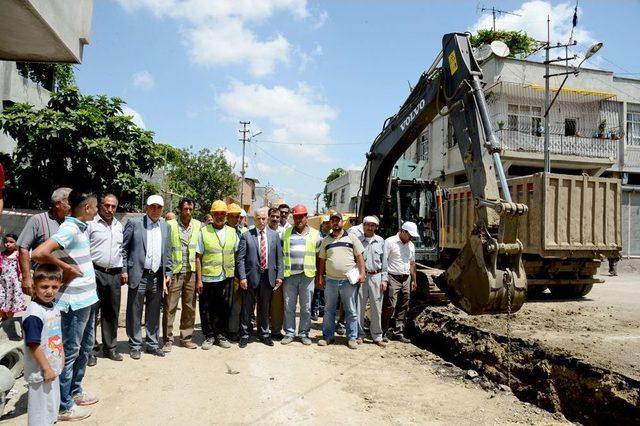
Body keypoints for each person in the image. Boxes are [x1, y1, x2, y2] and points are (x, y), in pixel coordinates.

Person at [32, 191, 100, 421]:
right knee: (70, 352)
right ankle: (63, 406)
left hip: (88, 299)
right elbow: (39, 253)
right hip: (74, 303)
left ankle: (75, 391)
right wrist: (67, 268)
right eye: (96, 206)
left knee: (84, 348)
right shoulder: (70, 229)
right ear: (88, 208)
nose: (97, 209)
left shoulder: (80, 227)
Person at [122, 195, 173, 360]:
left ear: (163, 209)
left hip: (157, 277)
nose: (155, 210)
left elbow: (168, 252)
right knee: (135, 311)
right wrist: (124, 270)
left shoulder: (165, 226)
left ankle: (152, 344)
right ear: (146, 207)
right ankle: (135, 344)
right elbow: (124, 249)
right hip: (139, 274)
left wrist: (168, 272)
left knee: (153, 312)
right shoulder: (135, 223)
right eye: (152, 206)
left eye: (159, 207)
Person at [23, 264, 67, 425]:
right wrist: (46, 368)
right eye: (44, 287)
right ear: (34, 286)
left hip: (52, 367)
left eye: (54, 287)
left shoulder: (54, 307)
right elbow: (33, 344)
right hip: (40, 371)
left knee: (51, 407)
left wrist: (61, 354)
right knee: (39, 413)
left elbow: (54, 335)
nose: (49, 291)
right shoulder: (34, 314)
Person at [236, 207, 283, 348]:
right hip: (250, 278)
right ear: (254, 219)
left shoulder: (274, 236)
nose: (261, 221)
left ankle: (264, 334)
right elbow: (241, 259)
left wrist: (279, 275)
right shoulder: (246, 235)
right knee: (247, 307)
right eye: (258, 218)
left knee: (264, 307)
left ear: (267, 219)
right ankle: (245, 334)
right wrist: (242, 277)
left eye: (264, 218)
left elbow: (279, 258)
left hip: (268, 276)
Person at [317, 212, 365, 349]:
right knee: (329, 310)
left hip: (348, 281)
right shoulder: (326, 240)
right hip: (331, 281)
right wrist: (320, 277)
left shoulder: (352, 238)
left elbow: (360, 257)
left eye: (338, 220)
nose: (335, 223)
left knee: (351, 310)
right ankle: (328, 336)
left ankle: (351, 338)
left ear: (342, 222)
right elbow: (322, 261)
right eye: (333, 221)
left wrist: (362, 273)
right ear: (330, 223)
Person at [86, 194, 125, 365]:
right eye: (106, 205)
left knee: (111, 312)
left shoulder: (118, 225)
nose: (109, 209)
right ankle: (91, 351)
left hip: (115, 274)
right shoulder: (90, 224)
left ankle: (110, 348)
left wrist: (123, 270)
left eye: (113, 206)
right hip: (95, 272)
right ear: (100, 205)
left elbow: (121, 250)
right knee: (92, 312)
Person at [195, 200, 238, 350]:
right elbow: (198, 257)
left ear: (226, 215)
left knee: (225, 307)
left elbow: (237, 253)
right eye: (217, 213)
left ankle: (221, 335)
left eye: (222, 214)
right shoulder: (204, 232)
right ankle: (209, 335)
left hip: (226, 276)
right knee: (207, 308)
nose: (220, 216)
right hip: (208, 277)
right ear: (212, 215)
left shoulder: (233, 232)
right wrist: (199, 280)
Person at [18, 187, 71, 297]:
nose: (74, 206)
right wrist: (26, 277)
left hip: (69, 281)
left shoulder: (72, 223)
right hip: (45, 283)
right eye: (70, 202)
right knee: (43, 313)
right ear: (58, 204)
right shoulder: (37, 220)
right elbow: (23, 248)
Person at [163, 197, 200, 352]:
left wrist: (199, 277)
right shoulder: (169, 225)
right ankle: (168, 340)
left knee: (189, 307)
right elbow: (166, 250)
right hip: (175, 272)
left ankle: (186, 338)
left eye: (190, 209)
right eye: (185, 209)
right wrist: (167, 272)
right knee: (170, 306)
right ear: (180, 209)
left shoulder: (198, 225)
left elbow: (199, 252)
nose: (188, 212)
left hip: (191, 272)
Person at [281, 204, 321, 346]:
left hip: (307, 276)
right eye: (296, 217)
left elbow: (319, 256)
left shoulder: (316, 235)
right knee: (288, 306)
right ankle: (290, 333)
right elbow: (281, 254)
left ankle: (304, 333)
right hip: (290, 275)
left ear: (306, 217)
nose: (298, 220)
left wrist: (319, 276)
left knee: (306, 307)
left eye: (301, 217)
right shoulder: (286, 233)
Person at [381, 221, 418, 343]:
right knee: (390, 304)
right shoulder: (390, 242)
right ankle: (383, 330)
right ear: (403, 231)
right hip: (393, 277)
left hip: (406, 277)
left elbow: (412, 263)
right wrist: (384, 279)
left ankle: (398, 331)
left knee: (404, 304)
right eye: (410, 235)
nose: (411, 238)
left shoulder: (411, 245)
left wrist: (414, 280)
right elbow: (384, 262)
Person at [357, 216, 387, 347]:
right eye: (367, 225)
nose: (370, 227)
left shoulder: (380, 241)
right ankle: (359, 334)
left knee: (376, 307)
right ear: (363, 226)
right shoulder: (357, 241)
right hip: (361, 277)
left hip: (376, 277)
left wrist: (384, 280)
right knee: (359, 307)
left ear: (376, 227)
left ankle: (377, 336)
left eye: (373, 225)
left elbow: (384, 262)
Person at [226, 203, 247, 341]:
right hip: (224, 272)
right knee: (224, 303)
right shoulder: (222, 230)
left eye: (237, 216)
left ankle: (233, 330)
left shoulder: (241, 232)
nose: (235, 219)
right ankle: (222, 330)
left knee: (236, 304)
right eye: (232, 216)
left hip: (237, 273)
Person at [267, 207, 284, 339]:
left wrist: (280, 275)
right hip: (263, 273)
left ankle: (276, 330)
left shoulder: (284, 233)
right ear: (268, 217)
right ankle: (263, 328)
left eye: (277, 217)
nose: (275, 219)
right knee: (263, 302)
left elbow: (282, 256)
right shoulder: (262, 231)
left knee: (277, 304)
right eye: (272, 216)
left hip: (277, 272)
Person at [0, 233, 26, 320]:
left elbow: (22, 266)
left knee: (12, 300)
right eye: (6, 242)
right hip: (2, 282)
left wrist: (22, 275)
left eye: (11, 242)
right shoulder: (1, 255)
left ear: (16, 243)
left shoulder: (18, 254)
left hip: (13, 282)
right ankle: (4, 317)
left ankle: (9, 319)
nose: (8, 244)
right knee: (2, 299)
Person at [311, 215, 331, 321]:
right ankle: (314, 310)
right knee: (316, 289)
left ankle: (322, 310)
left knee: (324, 289)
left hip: (328, 265)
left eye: (329, 223)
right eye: (326, 223)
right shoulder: (317, 236)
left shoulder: (332, 236)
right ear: (322, 224)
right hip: (317, 264)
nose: (328, 225)